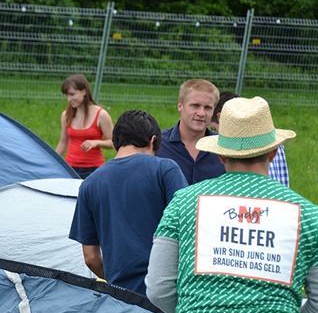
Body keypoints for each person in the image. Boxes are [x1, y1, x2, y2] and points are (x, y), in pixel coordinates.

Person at [146, 96, 318, 313]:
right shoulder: (306, 212)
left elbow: (159, 287)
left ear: (220, 155)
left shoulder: (185, 203)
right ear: (273, 153)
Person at [69, 109, 188, 295]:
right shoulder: (165, 169)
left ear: (115, 144)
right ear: (153, 141)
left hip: (121, 297)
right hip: (165, 290)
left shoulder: (90, 183)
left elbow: (90, 257)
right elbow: (188, 227)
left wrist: (117, 282)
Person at [212, 91, 291, 187]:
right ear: (273, 151)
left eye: (215, 129)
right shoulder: (276, 145)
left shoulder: (198, 196)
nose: (216, 133)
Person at [156, 79, 224, 185]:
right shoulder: (158, 145)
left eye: (207, 108)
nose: (201, 113)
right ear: (180, 106)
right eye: (195, 106)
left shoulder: (223, 148)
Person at [55, 74, 113, 179]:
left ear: (84, 92)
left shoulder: (101, 114)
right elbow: (63, 143)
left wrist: (96, 142)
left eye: (72, 94)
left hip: (94, 169)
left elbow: (114, 142)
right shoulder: (66, 115)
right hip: (70, 168)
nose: (69, 99)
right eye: (67, 95)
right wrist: (51, 161)